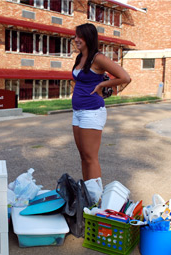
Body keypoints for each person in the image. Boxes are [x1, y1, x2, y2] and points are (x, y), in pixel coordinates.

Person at [72, 23, 131, 182]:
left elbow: (125, 77)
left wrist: (102, 85)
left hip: (92, 111)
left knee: (91, 157)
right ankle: (87, 192)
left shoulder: (98, 58)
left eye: (80, 36)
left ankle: (95, 196)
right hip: (77, 112)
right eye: (75, 36)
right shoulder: (80, 57)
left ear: (88, 38)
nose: (76, 39)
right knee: (83, 156)